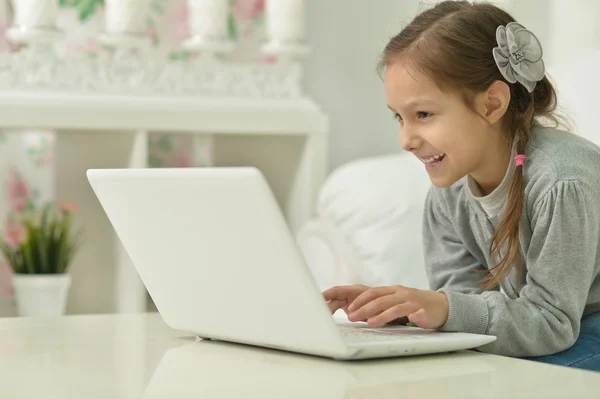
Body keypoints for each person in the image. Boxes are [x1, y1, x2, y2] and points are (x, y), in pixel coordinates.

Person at [323, 0, 600, 371]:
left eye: (423, 114)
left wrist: (444, 308)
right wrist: (407, 312)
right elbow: (467, 311)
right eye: (399, 118)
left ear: (492, 104)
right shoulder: (448, 192)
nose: (406, 140)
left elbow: (553, 322)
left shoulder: (563, 180)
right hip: (557, 330)